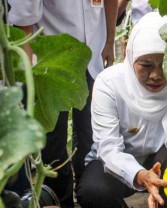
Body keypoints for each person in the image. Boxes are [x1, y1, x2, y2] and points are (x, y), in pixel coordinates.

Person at [76, 12, 167, 208]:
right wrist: (140, 175)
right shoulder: (108, 83)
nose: (156, 75)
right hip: (117, 162)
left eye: (166, 65)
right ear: (129, 55)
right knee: (94, 190)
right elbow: (108, 147)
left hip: (163, 158)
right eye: (146, 65)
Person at [7, 0, 118, 206]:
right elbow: (24, 20)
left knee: (91, 135)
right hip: (53, 62)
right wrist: (31, 73)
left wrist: (110, 40)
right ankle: (61, 200)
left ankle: (86, 195)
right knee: (53, 142)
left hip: (93, 57)